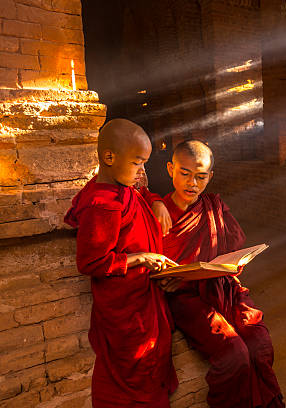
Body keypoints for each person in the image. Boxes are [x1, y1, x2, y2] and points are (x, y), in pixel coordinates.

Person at [155, 139, 284, 408]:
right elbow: (152, 259)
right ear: (170, 169)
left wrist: (235, 263)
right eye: (185, 173)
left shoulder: (213, 206)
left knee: (259, 343)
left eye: (201, 177)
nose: (193, 183)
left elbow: (232, 247)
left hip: (224, 286)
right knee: (233, 353)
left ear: (210, 176)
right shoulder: (160, 211)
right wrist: (164, 277)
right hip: (185, 296)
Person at [64, 119, 179, 407]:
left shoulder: (122, 185)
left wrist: (155, 200)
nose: (143, 172)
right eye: (138, 162)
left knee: (152, 364)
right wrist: (142, 257)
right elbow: (91, 262)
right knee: (136, 375)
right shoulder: (102, 204)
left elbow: (140, 190)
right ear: (109, 157)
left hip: (145, 294)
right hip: (126, 306)